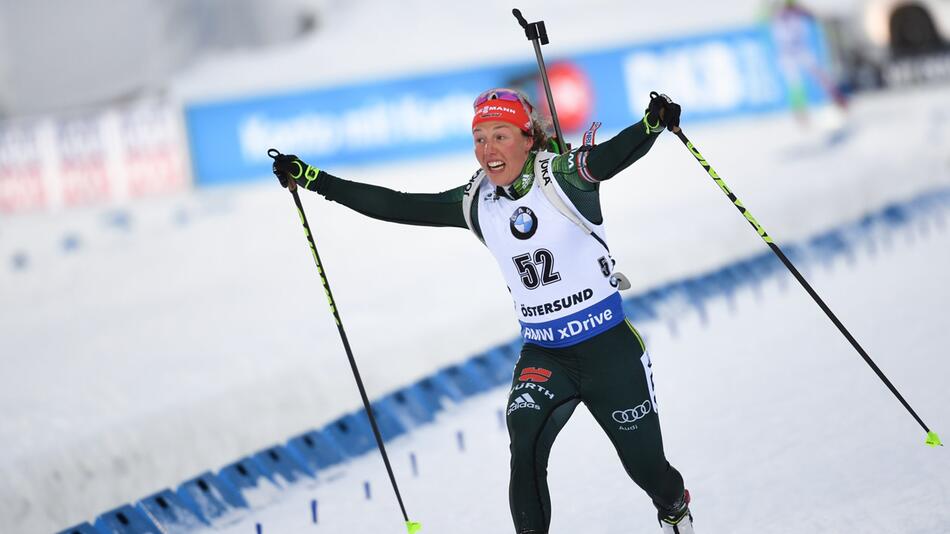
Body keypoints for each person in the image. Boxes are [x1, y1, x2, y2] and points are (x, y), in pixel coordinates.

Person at [271, 89, 694, 534]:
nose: (487, 150)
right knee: (525, 439)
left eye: (499, 135)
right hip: (546, 356)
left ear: (528, 139)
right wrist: (314, 179)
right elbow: (398, 205)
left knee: (649, 472)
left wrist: (651, 124)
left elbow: (609, 158)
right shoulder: (476, 200)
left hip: (607, 349)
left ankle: (673, 506)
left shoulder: (565, 175)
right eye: (479, 138)